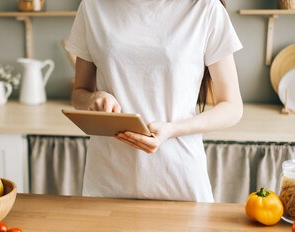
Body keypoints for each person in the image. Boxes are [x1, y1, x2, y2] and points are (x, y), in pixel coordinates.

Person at [65, 0, 243, 202]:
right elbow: (79, 93)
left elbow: (232, 107)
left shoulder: (205, 8)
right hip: (107, 180)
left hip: (180, 178)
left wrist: (172, 129)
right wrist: (94, 97)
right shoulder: (92, 7)